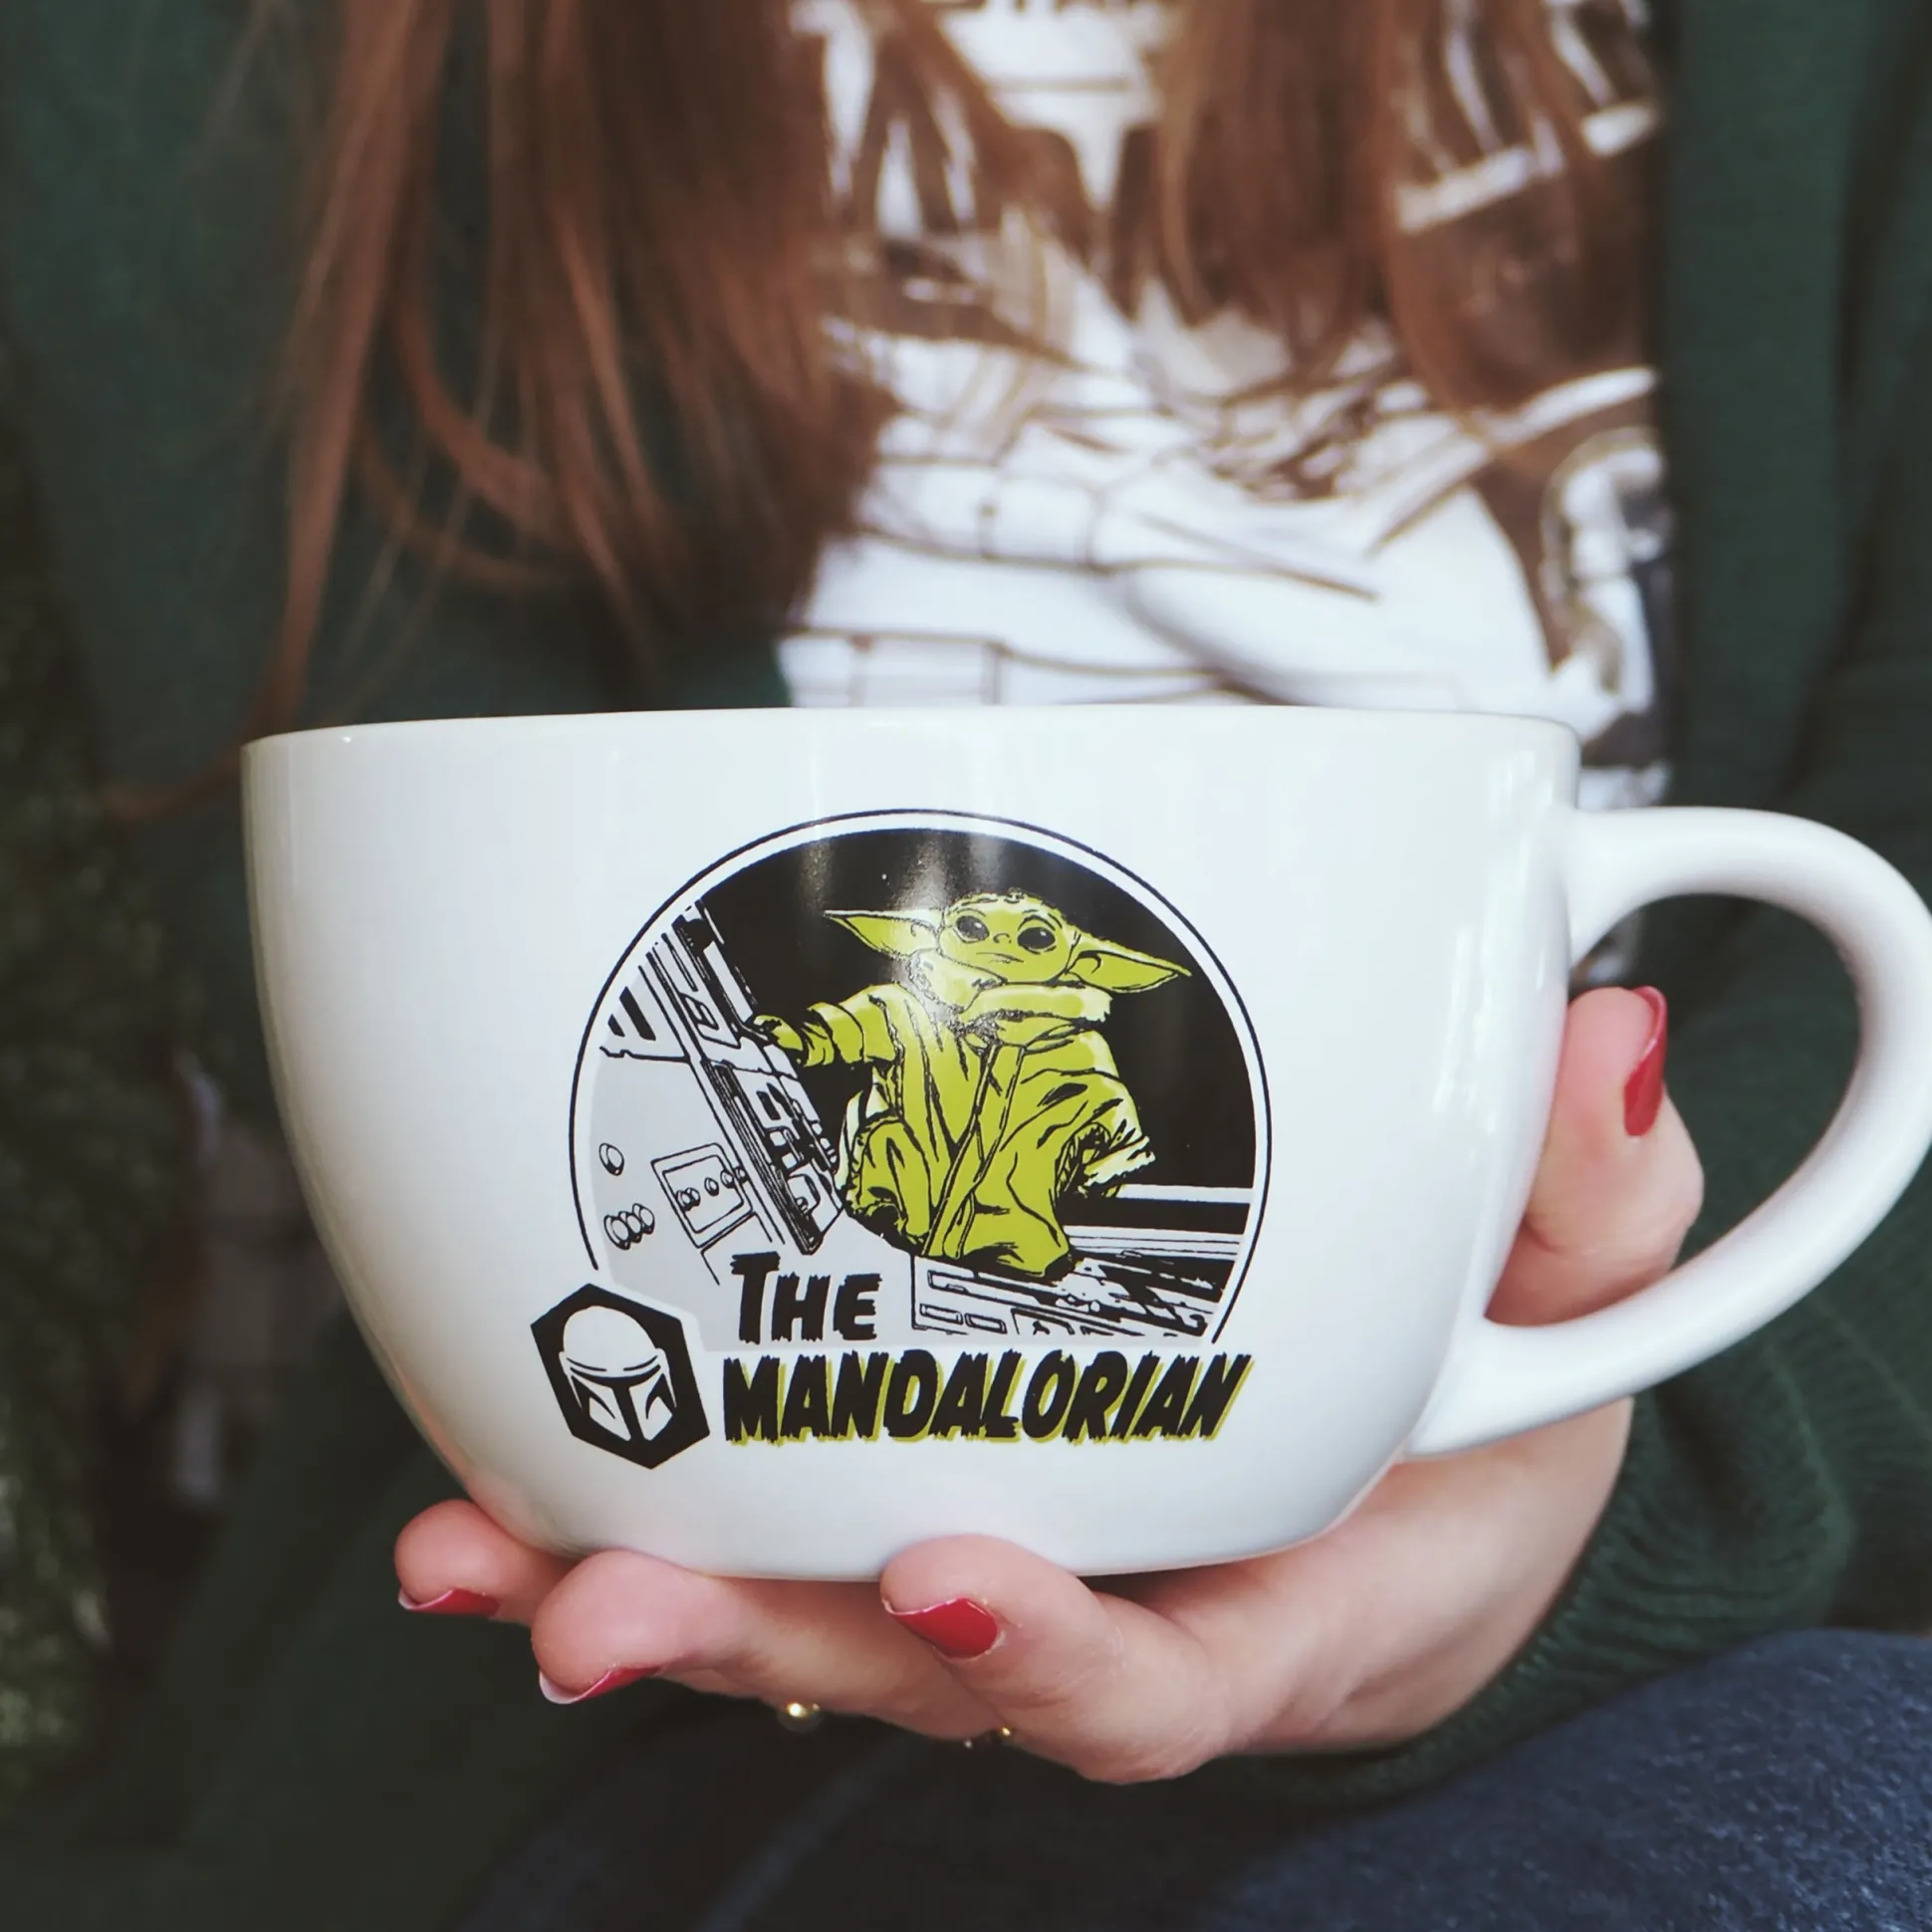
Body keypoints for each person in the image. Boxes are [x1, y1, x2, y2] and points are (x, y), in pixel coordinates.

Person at [2, 1, 1932, 1928]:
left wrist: (1626, 1459)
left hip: (1686, 1651)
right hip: (615, 1730)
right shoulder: (206, 68)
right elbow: (428, 953)